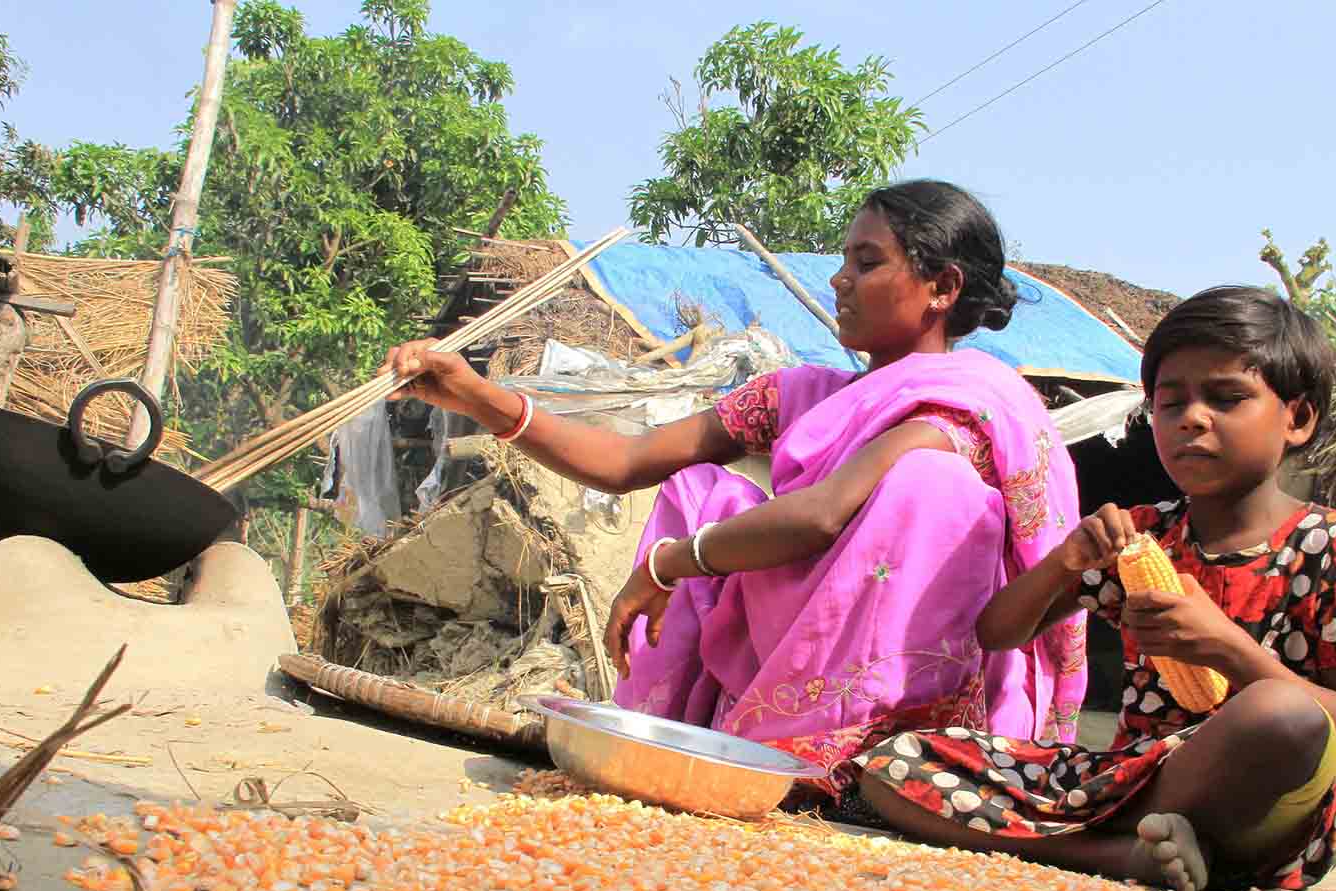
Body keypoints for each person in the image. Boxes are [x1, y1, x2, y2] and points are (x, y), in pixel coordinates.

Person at [383, 180, 1086, 807]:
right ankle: (758, 740)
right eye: (843, 259)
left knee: (933, 485)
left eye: (867, 263)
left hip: (927, 732)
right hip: (773, 687)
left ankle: (867, 758)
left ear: (943, 287)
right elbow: (630, 459)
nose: (839, 279)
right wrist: (478, 398)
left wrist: (669, 563)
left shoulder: (966, 406)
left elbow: (821, 515)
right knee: (702, 489)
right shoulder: (799, 396)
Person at [857, 286, 1336, 891]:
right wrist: (1065, 561)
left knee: (1283, 715)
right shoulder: (1142, 535)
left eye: (1226, 398)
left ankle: (1126, 839)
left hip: (1263, 804)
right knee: (893, 763)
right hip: (1127, 780)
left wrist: (1225, 649)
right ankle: (1117, 855)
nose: (1192, 419)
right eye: (1170, 402)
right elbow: (998, 632)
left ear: (1298, 419)